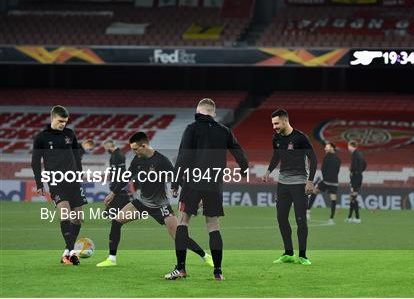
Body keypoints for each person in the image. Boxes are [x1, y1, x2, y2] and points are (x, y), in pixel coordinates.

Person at [96, 132, 212, 268]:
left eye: (135, 149)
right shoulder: (137, 159)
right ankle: (112, 259)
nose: (133, 152)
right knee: (116, 221)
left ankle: (205, 256)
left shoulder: (162, 160)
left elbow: (178, 178)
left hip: (160, 205)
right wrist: (113, 193)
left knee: (179, 236)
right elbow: (126, 177)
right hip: (141, 202)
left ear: (144, 146)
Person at [165, 98, 248, 281]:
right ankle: (218, 271)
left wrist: (175, 183)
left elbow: (183, 156)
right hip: (214, 185)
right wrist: (244, 168)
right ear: (213, 113)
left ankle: (180, 269)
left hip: (193, 183)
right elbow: (238, 150)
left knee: (183, 222)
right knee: (212, 225)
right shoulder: (224, 130)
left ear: (198, 111)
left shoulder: (191, 129)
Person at [31, 105, 86, 265]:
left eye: (65, 121)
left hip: (73, 180)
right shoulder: (41, 137)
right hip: (56, 181)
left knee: (77, 218)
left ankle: (67, 252)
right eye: (61, 121)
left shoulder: (70, 134)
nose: (63, 124)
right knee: (65, 213)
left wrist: (80, 173)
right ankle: (72, 251)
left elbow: (76, 155)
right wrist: (39, 183)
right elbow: (35, 162)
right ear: (52, 118)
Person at [262, 109, 317, 266]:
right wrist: (268, 171)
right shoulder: (276, 138)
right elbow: (276, 156)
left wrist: (310, 181)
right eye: (273, 124)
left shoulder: (301, 138)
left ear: (285, 121)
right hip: (283, 184)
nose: (274, 127)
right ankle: (288, 253)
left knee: (301, 220)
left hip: (299, 184)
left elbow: (313, 159)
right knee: (281, 218)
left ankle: (303, 256)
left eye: (277, 123)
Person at [307, 142, 341, 225]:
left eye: (327, 147)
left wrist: (325, 178)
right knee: (333, 199)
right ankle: (331, 219)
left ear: (332, 148)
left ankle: (307, 211)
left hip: (326, 181)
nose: (325, 149)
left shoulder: (326, 157)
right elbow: (337, 171)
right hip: (334, 182)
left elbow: (323, 169)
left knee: (314, 191)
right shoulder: (338, 159)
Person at [102, 139, 131, 219]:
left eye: (105, 147)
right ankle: (109, 212)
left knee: (118, 197)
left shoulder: (117, 155)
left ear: (109, 146)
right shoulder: (117, 154)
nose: (105, 150)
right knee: (121, 198)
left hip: (118, 182)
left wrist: (115, 183)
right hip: (119, 182)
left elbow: (119, 172)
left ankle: (111, 213)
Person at [346, 141, 366, 223]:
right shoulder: (360, 154)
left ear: (351, 146)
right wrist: (360, 171)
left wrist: (352, 170)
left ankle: (357, 218)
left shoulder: (354, 154)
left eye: (348, 146)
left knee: (353, 197)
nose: (348, 147)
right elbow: (365, 164)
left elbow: (354, 166)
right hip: (359, 177)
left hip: (355, 177)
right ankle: (350, 217)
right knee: (352, 197)